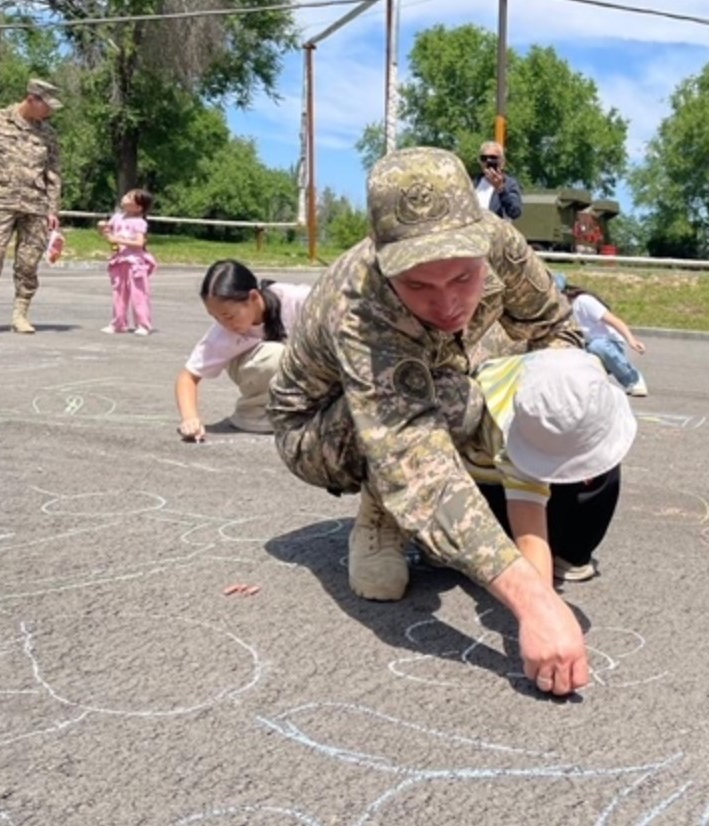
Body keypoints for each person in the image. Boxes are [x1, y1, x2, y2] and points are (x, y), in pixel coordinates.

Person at [268, 146, 588, 696]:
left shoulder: (500, 242)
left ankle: (445, 498)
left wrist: (549, 422)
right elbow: (412, 458)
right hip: (319, 429)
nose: (446, 303)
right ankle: (381, 512)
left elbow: (558, 330)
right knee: (454, 400)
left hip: (437, 383)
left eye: (463, 278)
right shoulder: (360, 303)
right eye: (418, 285)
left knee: (482, 389)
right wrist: (534, 603)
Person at [455, 347, 637, 586]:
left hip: (530, 443)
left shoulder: (579, 370)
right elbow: (531, 536)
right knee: (518, 557)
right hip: (486, 484)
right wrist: (542, 602)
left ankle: (571, 553)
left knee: (606, 465)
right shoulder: (507, 439)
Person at [0, 79, 64, 336]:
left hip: (36, 204)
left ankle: (21, 314)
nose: (50, 112)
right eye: (47, 106)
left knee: (29, 263)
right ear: (32, 99)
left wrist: (53, 208)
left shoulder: (48, 134)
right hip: (0, 199)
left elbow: (53, 173)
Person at [175, 260, 311, 441]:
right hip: (262, 371)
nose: (225, 324)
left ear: (253, 297)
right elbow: (188, 377)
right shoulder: (222, 334)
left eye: (229, 316)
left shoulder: (297, 300)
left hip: (308, 379)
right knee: (276, 356)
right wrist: (190, 418)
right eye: (215, 317)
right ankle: (254, 413)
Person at [558, 275, 649, 397]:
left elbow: (615, 321)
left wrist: (631, 340)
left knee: (597, 345)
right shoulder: (558, 311)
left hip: (609, 345)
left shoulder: (583, 301)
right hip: (587, 348)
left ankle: (633, 380)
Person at [99, 189, 157, 336]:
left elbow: (139, 243)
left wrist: (117, 240)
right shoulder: (117, 218)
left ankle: (143, 324)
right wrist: (104, 230)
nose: (125, 197)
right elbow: (109, 235)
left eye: (130, 197)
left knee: (139, 294)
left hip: (135, 262)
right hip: (119, 260)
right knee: (119, 293)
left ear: (138, 207)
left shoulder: (139, 222)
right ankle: (118, 323)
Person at [473, 140, 523, 220]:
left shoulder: (509, 184)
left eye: (493, 158)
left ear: (502, 162)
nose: (488, 161)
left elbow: (515, 212)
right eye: (484, 158)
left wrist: (500, 189)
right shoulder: (473, 183)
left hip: (496, 231)